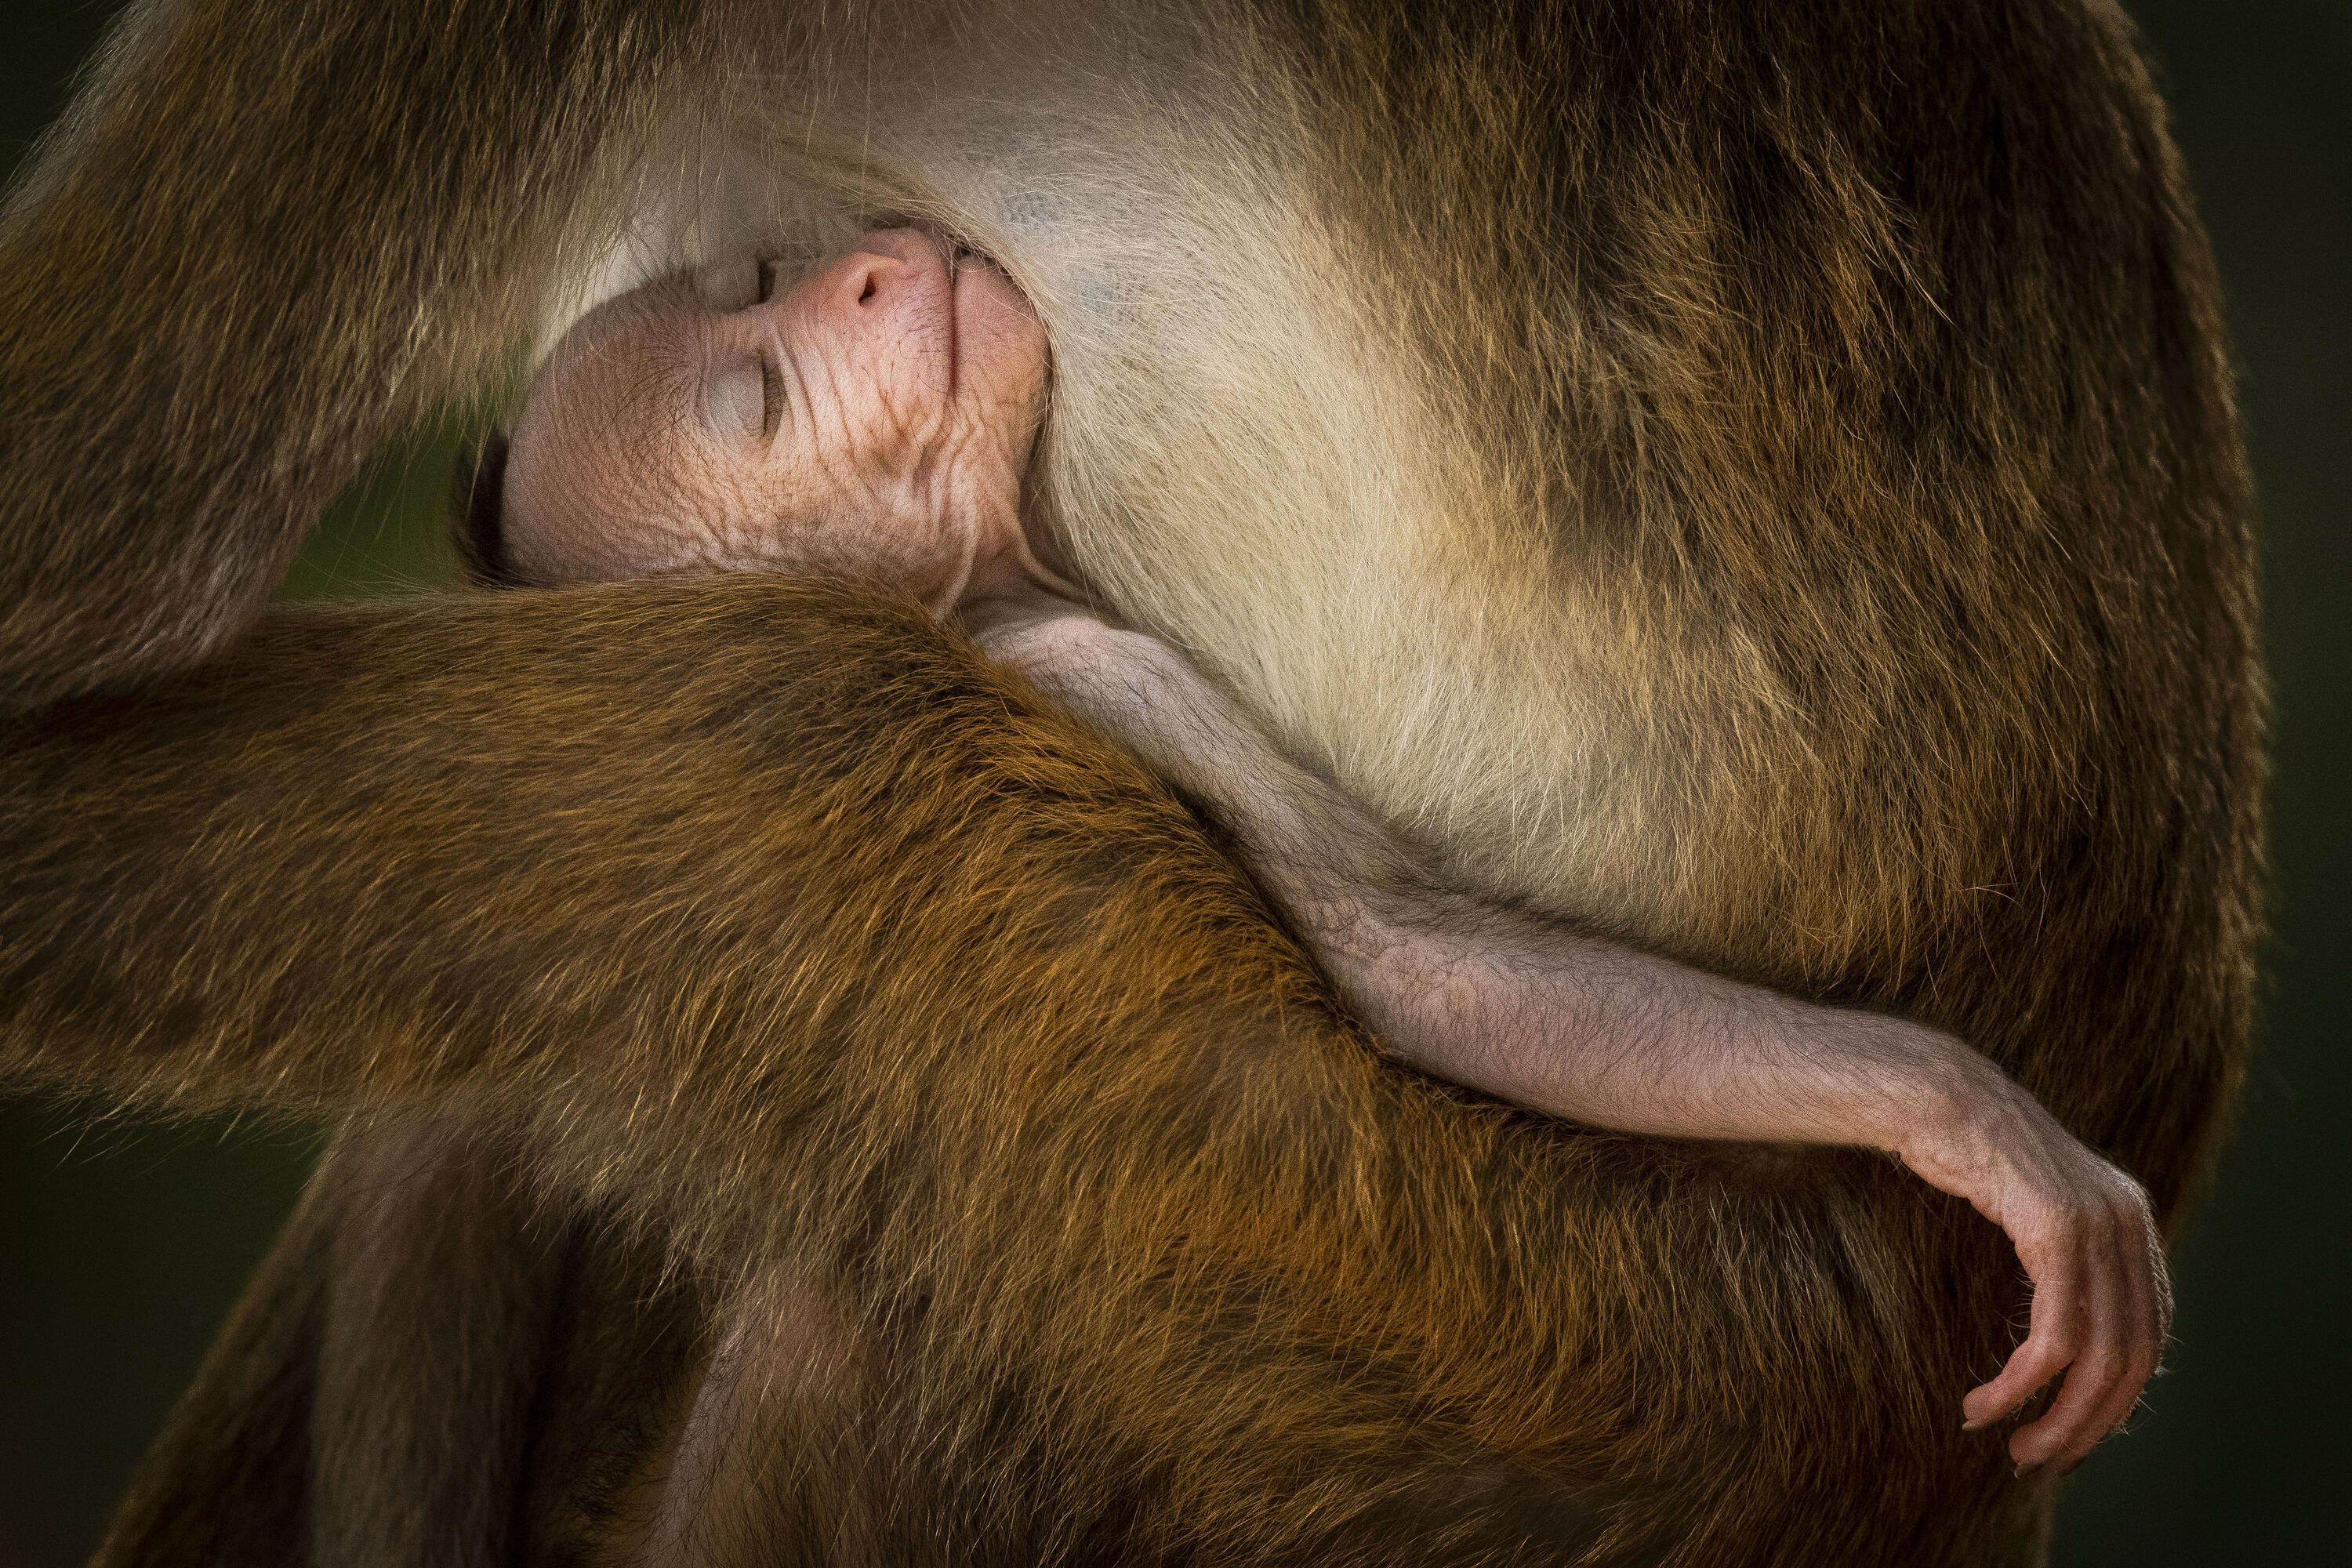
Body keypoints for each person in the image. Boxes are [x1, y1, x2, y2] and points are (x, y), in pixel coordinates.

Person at [469, 225, 2165, 1450]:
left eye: (751, 279)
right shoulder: (1055, 684)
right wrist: (1931, 1098)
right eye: (765, 398)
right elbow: (1414, 967)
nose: (840, 283)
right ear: (812, 643)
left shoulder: (1039, 599)